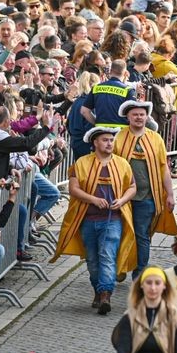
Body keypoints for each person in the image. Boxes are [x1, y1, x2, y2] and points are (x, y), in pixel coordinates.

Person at [50, 126, 136, 315]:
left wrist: (121, 200)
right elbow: (74, 189)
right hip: (87, 219)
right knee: (92, 259)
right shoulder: (81, 163)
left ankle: (105, 293)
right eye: (105, 140)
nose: (109, 143)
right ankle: (98, 290)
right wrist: (93, 199)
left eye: (111, 140)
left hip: (112, 219)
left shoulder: (123, 164)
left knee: (107, 255)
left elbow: (132, 187)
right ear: (95, 143)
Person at [113, 100, 177, 278]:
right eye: (135, 114)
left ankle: (139, 273)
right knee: (120, 233)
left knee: (142, 235)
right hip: (123, 197)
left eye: (142, 114)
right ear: (128, 117)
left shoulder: (155, 138)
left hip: (148, 197)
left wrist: (170, 194)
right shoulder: (118, 138)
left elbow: (163, 167)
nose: (139, 117)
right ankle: (120, 266)